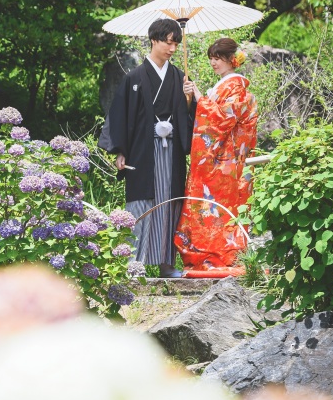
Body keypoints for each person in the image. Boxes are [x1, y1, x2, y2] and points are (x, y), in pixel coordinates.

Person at [98, 18, 195, 278]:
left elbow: (189, 116)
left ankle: (166, 264)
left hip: (172, 149)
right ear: (154, 40)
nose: (173, 48)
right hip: (143, 149)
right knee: (142, 203)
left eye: (176, 43)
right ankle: (134, 264)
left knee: (170, 203)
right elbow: (120, 116)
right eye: (168, 42)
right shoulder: (135, 77)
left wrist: (189, 99)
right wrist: (121, 150)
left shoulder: (178, 76)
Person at [176, 37, 258, 271]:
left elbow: (222, 118)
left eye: (218, 58)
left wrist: (200, 98)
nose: (214, 63)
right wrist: (194, 98)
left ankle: (218, 255)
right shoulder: (225, 85)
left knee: (218, 207)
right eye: (211, 58)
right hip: (224, 160)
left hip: (223, 162)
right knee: (214, 208)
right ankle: (210, 254)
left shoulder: (234, 86)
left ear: (232, 60)